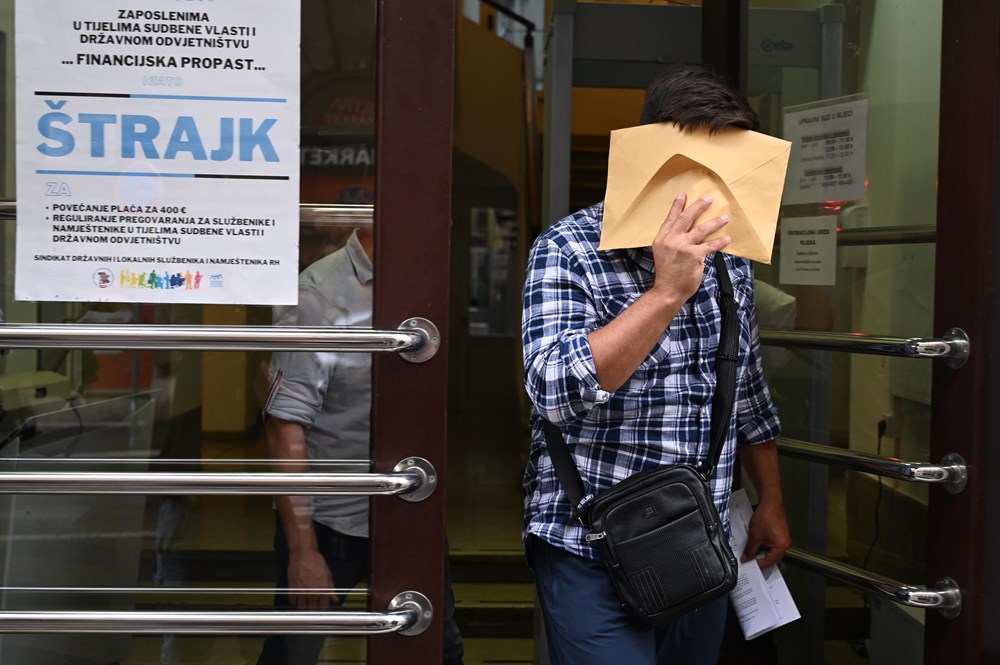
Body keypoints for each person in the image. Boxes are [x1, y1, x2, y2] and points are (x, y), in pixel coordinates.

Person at [520, 65, 791, 665]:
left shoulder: (730, 262)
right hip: (588, 537)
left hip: (699, 536)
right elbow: (553, 390)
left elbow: (747, 391)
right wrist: (666, 292)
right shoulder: (566, 249)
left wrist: (769, 500)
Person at [256, 226, 464, 665]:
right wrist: (304, 550)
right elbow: (285, 425)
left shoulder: (423, 279)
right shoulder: (319, 294)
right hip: (331, 522)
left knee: (438, 651)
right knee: (293, 655)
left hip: (410, 510)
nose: (444, 225)